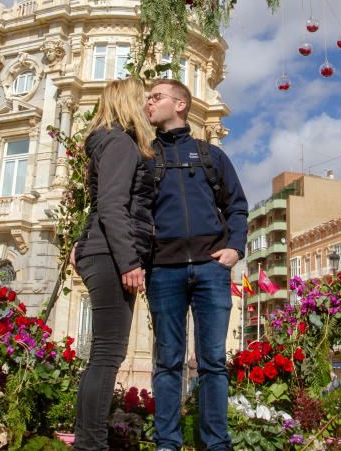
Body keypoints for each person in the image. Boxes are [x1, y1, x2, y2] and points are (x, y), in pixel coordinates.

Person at [144, 78, 248, 451]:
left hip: (210, 270)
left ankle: (216, 444)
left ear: (181, 104)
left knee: (213, 362)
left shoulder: (210, 156)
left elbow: (236, 205)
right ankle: (167, 443)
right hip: (164, 272)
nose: (149, 103)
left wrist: (234, 249)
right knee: (168, 361)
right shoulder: (146, 157)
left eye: (156, 97)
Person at [70, 77, 157, 451]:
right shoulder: (121, 142)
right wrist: (129, 260)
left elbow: (100, 202)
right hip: (110, 254)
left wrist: (83, 242)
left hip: (100, 249)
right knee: (108, 353)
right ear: (129, 103)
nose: (149, 108)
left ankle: (86, 439)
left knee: (102, 353)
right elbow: (111, 205)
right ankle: (91, 444)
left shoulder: (106, 141)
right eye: (144, 100)